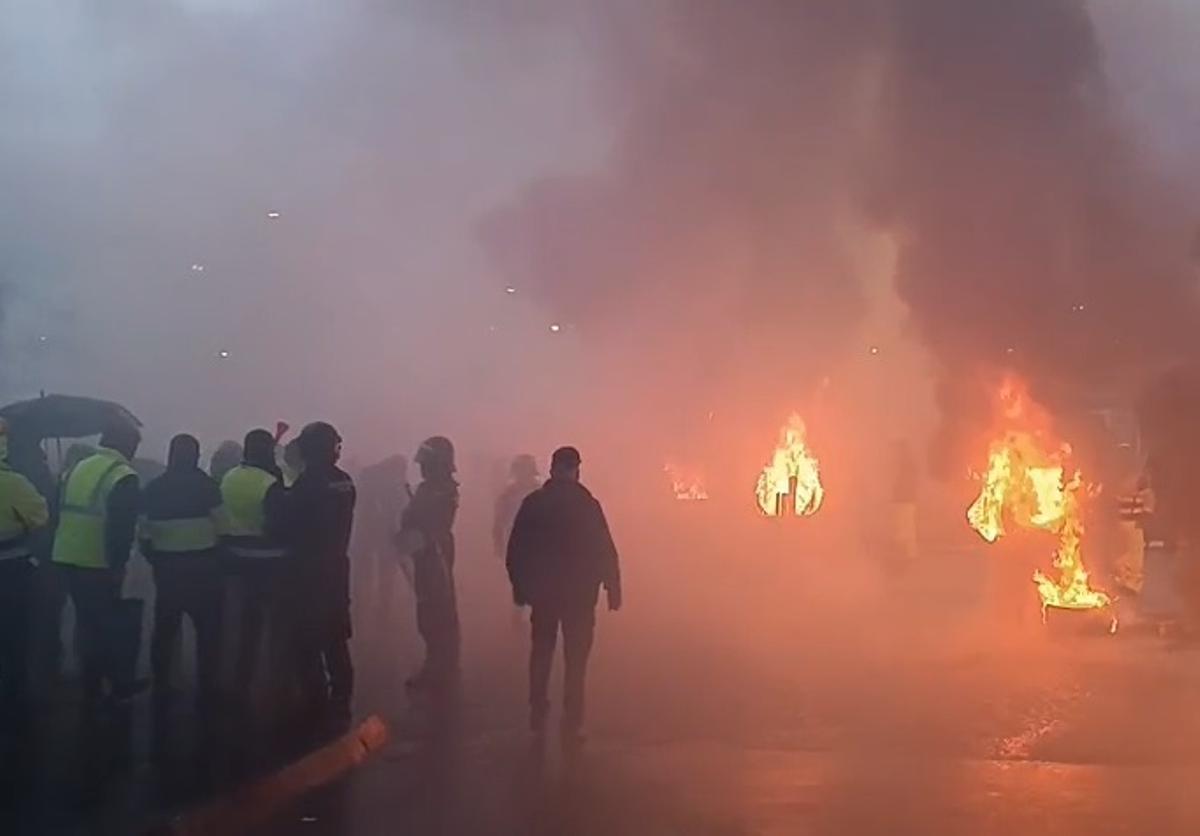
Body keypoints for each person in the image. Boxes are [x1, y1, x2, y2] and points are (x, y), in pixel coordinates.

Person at [506, 446, 621, 747]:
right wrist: (613, 587)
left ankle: (537, 714)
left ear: (552, 468)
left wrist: (520, 587)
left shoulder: (534, 504)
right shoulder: (587, 505)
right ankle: (573, 720)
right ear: (576, 470)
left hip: (544, 595)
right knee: (576, 661)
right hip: (580, 597)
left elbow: (516, 550)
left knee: (542, 653)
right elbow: (604, 548)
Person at [139, 434, 225, 754]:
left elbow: (144, 534)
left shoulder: (155, 489)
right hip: (204, 572)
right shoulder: (208, 487)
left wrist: (159, 559)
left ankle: (162, 684)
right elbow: (223, 526)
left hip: (169, 573)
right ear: (196, 454)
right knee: (208, 632)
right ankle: (208, 686)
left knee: (165, 630)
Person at [51, 422, 143, 709]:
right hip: (97, 559)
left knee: (87, 622)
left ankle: (92, 683)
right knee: (106, 624)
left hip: (65, 555)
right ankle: (114, 685)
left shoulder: (78, 467)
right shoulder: (123, 475)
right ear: (128, 446)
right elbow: (121, 528)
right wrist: (118, 565)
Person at [283, 422, 356, 732]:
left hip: (308, 571)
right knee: (336, 639)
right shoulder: (345, 481)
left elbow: (287, 522)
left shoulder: (307, 484)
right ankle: (342, 699)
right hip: (337, 567)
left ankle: (316, 700)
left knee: (307, 640)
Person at [219, 429, 288, 712]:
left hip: (234, 559)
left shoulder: (230, 477)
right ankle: (274, 680)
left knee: (242, 624)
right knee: (272, 624)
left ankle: (239, 679)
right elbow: (280, 522)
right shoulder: (270, 483)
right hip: (267, 561)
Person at [397, 436, 460, 691]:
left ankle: (441, 666)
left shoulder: (443, 490)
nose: (422, 467)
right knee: (428, 611)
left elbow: (434, 525)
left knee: (438, 611)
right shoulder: (429, 488)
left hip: (435, 554)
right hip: (426, 553)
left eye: (427, 463)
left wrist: (413, 534)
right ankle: (439, 663)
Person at [0, 418, 50, 729]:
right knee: (14, 640)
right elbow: (40, 518)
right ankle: (14, 705)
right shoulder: (15, 482)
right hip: (11, 571)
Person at [353, 454, 408, 631]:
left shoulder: (370, 475)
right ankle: (377, 609)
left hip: (372, 532)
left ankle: (369, 607)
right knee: (380, 573)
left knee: (372, 574)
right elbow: (397, 505)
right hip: (377, 532)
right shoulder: (381, 477)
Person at [493, 454, 540, 558]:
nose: (523, 475)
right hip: (515, 546)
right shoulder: (508, 495)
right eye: (521, 470)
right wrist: (500, 548)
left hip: (538, 549)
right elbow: (499, 524)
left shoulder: (542, 494)